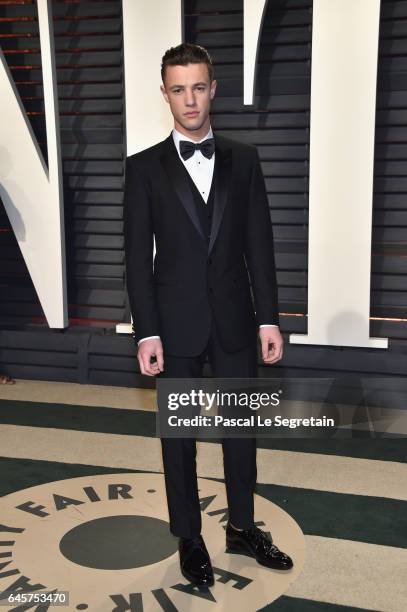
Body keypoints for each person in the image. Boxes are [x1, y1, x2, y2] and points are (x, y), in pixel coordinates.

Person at [123, 43, 293, 587]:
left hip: (237, 321)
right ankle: (189, 536)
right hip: (172, 326)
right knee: (179, 437)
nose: (190, 99)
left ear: (213, 88)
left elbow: (259, 246)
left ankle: (242, 527)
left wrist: (268, 317)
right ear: (165, 93)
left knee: (242, 431)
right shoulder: (143, 168)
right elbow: (135, 258)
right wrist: (145, 329)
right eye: (179, 89)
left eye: (199, 87)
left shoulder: (244, 159)